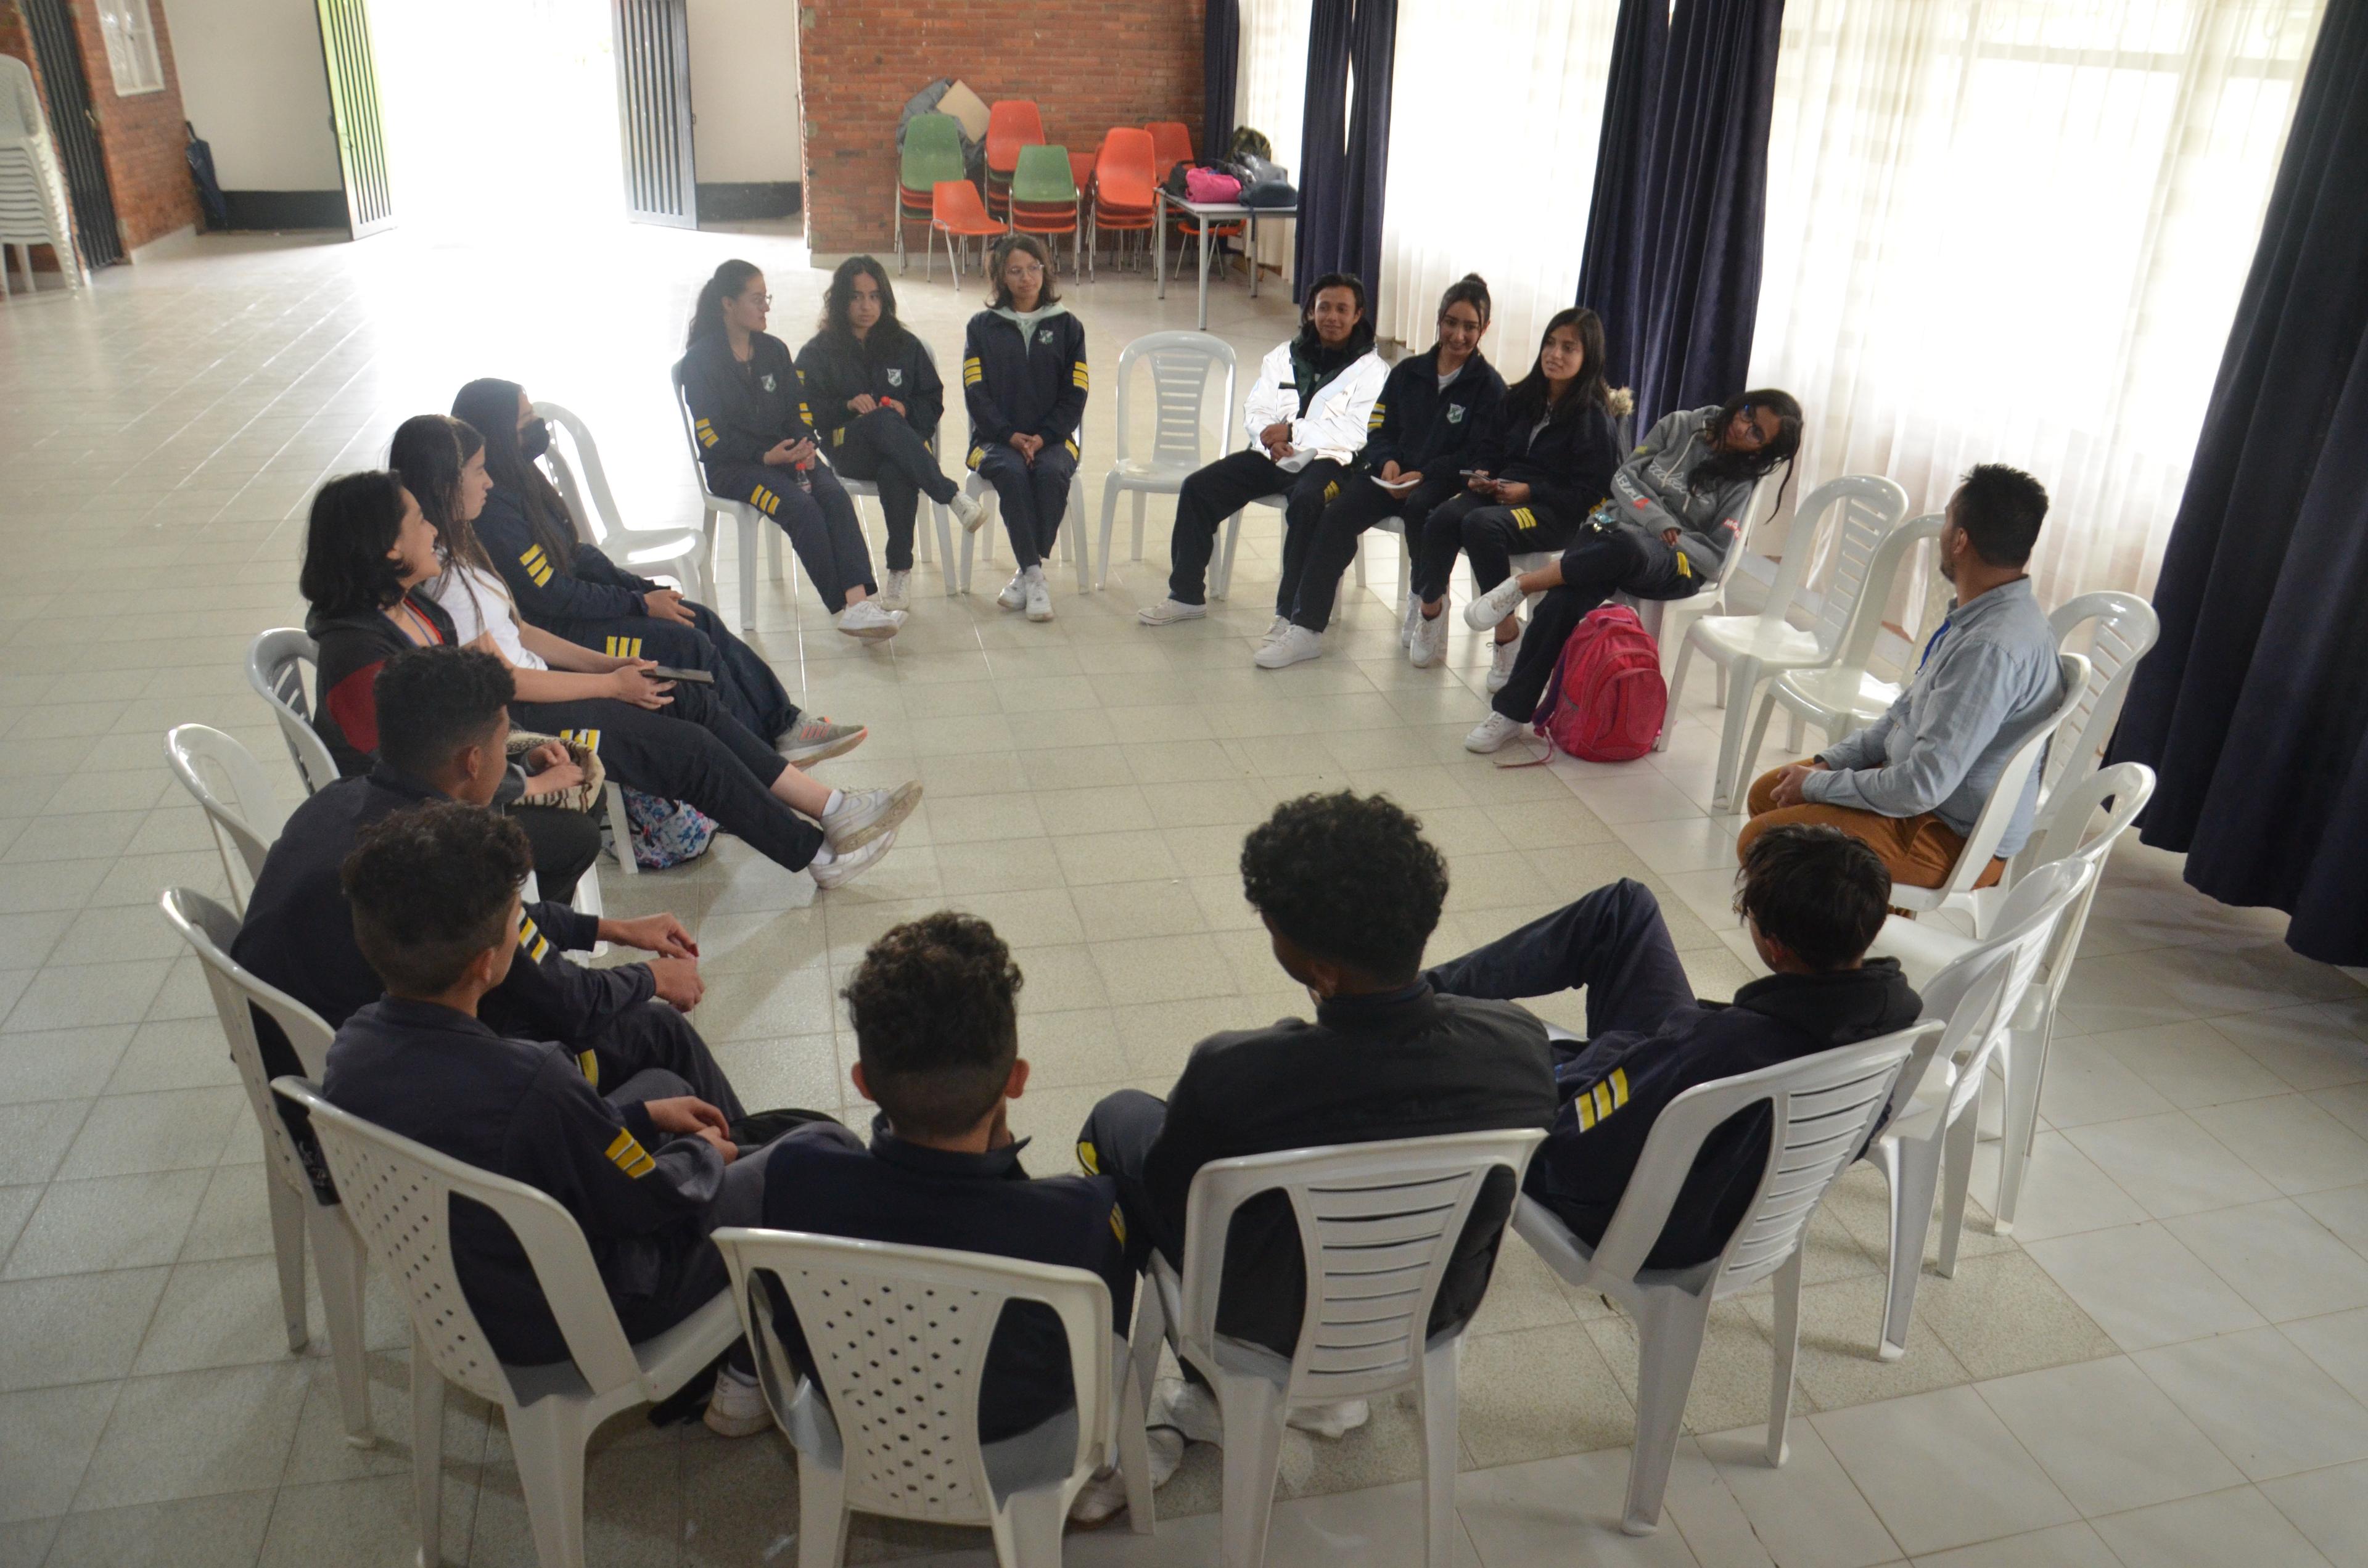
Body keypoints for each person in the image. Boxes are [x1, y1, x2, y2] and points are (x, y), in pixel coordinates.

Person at [1074, 792, 1555, 1466]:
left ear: (1322, 971)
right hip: (1429, 1307)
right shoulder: (1519, 1045)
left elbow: (1179, 1202)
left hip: (1266, 1321)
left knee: (1116, 1119)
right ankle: (1335, 1391)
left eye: (1273, 927)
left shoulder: (1236, 1075)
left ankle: (1200, 1395)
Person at [319, 802, 792, 1435]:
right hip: (580, 1314)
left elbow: (555, 1142)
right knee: (806, 1152)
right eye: (518, 918)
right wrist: (705, 1153)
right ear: (487, 963)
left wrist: (644, 1116)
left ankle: (751, 1305)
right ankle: (749, 1366)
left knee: (665, 1086)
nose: (527, 926)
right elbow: (649, 1199)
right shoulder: (533, 1079)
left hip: (474, 1292)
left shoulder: (350, 1048)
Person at [388, 417, 915, 888]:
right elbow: (504, 680)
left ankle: (834, 807)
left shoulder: (462, 550)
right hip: (526, 721)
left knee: (692, 699)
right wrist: (610, 686)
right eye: (478, 471)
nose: (490, 479)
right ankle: (816, 856)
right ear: (445, 483)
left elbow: (522, 633)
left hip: (549, 686)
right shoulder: (446, 581)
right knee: (690, 750)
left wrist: (611, 667)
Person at [235, 647, 731, 1114]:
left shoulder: (339, 801)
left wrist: (610, 929)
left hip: (307, 1075)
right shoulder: (441, 859)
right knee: (658, 1031)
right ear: (472, 761)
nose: (508, 759)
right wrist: (653, 977)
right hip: (385, 1113)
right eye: (502, 741)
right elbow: (572, 1002)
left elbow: (506, 923)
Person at [1424, 826, 1920, 1268]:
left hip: (1641, 1214)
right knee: (1624, 908)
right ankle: (1426, 991)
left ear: (1776, 946)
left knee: (1494, 1039)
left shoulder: (1716, 1049)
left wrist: (1590, 1057)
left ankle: (1410, 1009)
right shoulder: (1893, 1023)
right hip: (1702, 1128)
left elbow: (1575, 1147)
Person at [752, 913, 1133, 1469]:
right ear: (1017, 1079)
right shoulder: (1076, 1218)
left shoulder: (798, 1173)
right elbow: (1099, 1338)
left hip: (855, 1413)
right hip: (1017, 1427)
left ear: (863, 1082)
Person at [447, 377, 824, 752]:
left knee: (698, 618)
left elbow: (577, 554)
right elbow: (552, 596)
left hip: (575, 613)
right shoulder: (493, 509)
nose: (537, 427)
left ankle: (784, 725)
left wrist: (645, 591)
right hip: (561, 632)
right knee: (687, 644)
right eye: (525, 421)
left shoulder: (520, 476)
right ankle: (763, 754)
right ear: (496, 433)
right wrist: (638, 605)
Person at [1738, 464, 2063, 889]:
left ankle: (1840, 944)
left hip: (1951, 832)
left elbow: (1921, 787)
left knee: (1762, 840)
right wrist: (1832, 763)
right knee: (1769, 792)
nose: (1944, 533)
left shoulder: (1990, 648)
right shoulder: (1987, 613)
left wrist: (1820, 786)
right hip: (1923, 796)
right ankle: (1857, 917)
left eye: (1948, 519)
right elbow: (1902, 714)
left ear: (1961, 540)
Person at [300, 470, 602, 900]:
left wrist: (520, 751)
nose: (435, 529)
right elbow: (407, 775)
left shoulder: (413, 606)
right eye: (421, 520)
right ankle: (509, 947)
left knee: (585, 797)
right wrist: (527, 785)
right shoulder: (356, 657)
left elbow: (466, 710)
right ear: (390, 548)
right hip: (405, 825)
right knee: (574, 837)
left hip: (456, 776)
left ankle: (531, 941)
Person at [1461, 388, 1803, 755]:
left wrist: (1664, 532)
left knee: (1623, 547)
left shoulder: (1742, 481)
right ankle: (1511, 715)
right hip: (1613, 527)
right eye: (1748, 413)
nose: (1742, 427)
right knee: (1563, 600)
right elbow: (1623, 479)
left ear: (1761, 450)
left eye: (1757, 434)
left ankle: (1523, 584)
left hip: (1674, 560)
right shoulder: (1678, 425)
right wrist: (1656, 518)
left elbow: (1716, 557)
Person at [1256, 274, 1505, 670]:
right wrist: (1387, 461)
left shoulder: (1490, 388)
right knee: (1335, 516)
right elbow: (1378, 427)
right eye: (1451, 323)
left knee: (1424, 510)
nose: (1458, 335)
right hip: (1388, 475)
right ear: (1438, 321)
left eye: (1470, 327)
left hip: (1440, 483)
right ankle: (1306, 628)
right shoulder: (1408, 373)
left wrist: (1424, 475)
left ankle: (1425, 604)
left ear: (1484, 329)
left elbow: (1482, 453)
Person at [1137, 273, 1388, 631]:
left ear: (1357, 314)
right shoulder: (1283, 356)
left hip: (1330, 463)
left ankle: (1290, 614)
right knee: (1198, 487)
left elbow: (1357, 431)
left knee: (1307, 502)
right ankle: (1186, 596)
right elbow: (1256, 409)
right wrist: (1270, 439)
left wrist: (1293, 431)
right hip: (1272, 455)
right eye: (1324, 308)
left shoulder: (1374, 371)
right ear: (1310, 313)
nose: (1332, 317)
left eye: (1342, 310)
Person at [679, 262, 902, 640]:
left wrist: (805, 445)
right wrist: (766, 457)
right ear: (728, 305)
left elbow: (799, 410)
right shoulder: (701, 362)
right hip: (735, 469)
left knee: (833, 495)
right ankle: (848, 607)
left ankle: (859, 602)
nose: (766, 307)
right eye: (756, 299)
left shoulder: (773, 351)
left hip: (786, 455)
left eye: (766, 298)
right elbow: (710, 438)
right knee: (801, 507)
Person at [1409, 307, 1621, 692]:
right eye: (1551, 344)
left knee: (1480, 525)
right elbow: (1489, 448)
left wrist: (1531, 491)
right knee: (1441, 517)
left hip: (1553, 511)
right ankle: (1431, 613)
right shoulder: (1523, 397)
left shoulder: (1593, 417)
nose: (1555, 355)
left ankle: (1507, 635)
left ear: (1588, 357)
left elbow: (1594, 493)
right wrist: (1483, 474)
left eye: (1569, 348)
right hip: (1503, 494)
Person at [795, 255, 984, 609]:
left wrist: (907, 410)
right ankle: (951, 495)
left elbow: (932, 398)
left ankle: (899, 572)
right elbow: (804, 411)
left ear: (885, 299)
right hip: (848, 448)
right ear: (839, 301)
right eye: (855, 297)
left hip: (902, 452)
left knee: (896, 467)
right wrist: (848, 406)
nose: (866, 306)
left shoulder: (904, 344)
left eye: (874, 296)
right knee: (880, 420)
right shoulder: (818, 352)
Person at [961, 234, 1090, 622]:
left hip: (1053, 440)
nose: (1026, 278)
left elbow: (1077, 392)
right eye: (1015, 271)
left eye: (1033, 268)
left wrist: (1045, 436)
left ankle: (1025, 572)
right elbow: (975, 391)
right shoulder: (981, 327)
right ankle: (1036, 576)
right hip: (992, 440)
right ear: (1000, 277)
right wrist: (1007, 435)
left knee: (1051, 471)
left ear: (1045, 270)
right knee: (1013, 472)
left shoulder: (1068, 327)